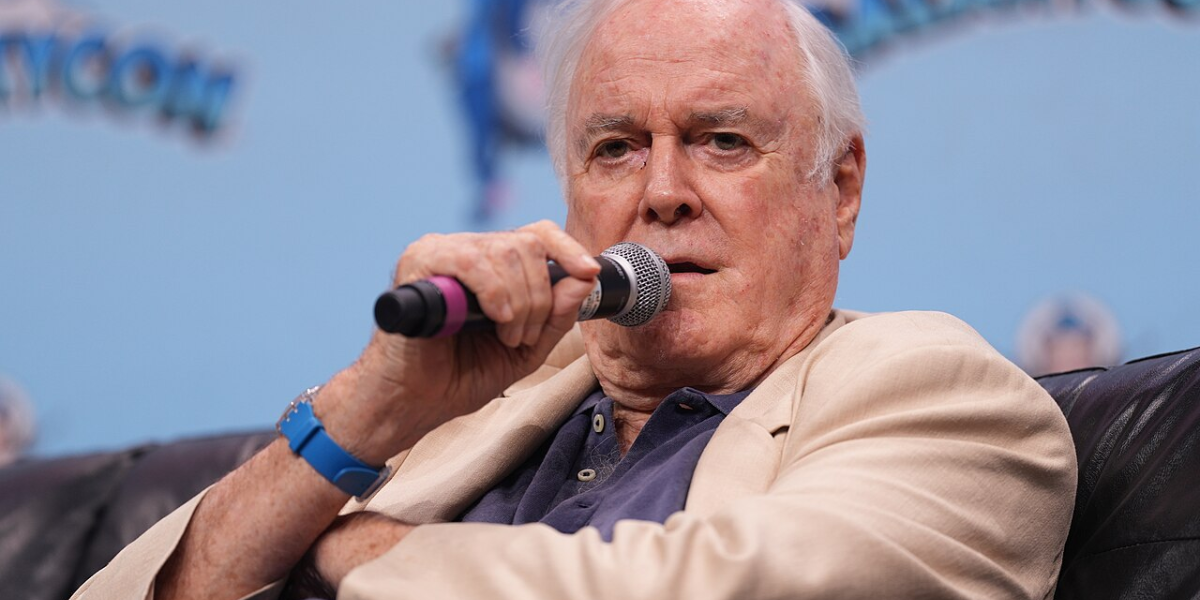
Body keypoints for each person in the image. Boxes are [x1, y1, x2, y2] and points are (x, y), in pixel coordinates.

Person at [73, 0, 1077, 598]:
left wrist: (355, 558)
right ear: (569, 192)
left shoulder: (945, 401)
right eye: (617, 148)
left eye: (723, 141)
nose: (663, 191)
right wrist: (372, 406)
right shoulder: (467, 407)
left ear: (840, 188)